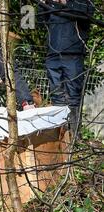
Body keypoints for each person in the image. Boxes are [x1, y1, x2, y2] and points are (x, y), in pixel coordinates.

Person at [38, 0, 95, 134]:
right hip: (53, 53)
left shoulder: (83, 2)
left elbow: (89, 15)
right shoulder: (50, 3)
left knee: (73, 96)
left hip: (73, 53)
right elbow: (37, 22)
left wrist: (65, 2)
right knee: (57, 95)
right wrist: (41, 4)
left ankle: (74, 136)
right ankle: (61, 135)